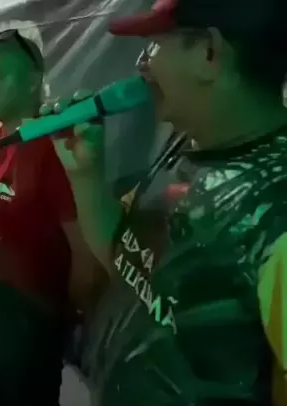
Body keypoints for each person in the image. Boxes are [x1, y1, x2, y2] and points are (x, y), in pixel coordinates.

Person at [49, 0, 287, 405]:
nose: (142, 65)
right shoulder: (189, 147)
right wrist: (85, 175)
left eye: (155, 46)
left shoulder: (276, 213)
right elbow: (130, 263)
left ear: (209, 53)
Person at [0, 29, 92, 405]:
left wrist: (64, 319)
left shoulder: (57, 146)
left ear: (33, 81)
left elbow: (84, 249)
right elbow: (0, 218)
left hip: (31, 318)